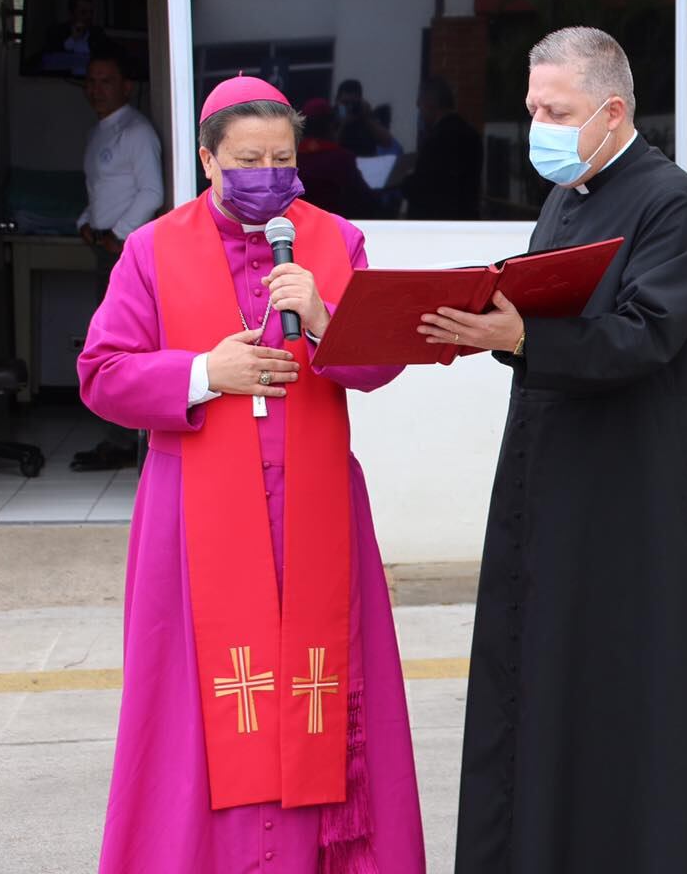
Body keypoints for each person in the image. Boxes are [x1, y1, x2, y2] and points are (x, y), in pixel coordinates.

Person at [416, 26, 687, 874]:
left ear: (611, 110)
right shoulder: (568, 196)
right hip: (548, 469)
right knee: (541, 673)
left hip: (625, 489)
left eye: (553, 110)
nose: (538, 125)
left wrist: (522, 334)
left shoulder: (672, 199)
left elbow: (648, 335)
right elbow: (545, 311)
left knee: (618, 685)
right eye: (532, 108)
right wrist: (491, 323)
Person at [79, 74, 424, 873]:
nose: (269, 172)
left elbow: (378, 367)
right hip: (193, 512)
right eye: (247, 159)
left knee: (321, 694)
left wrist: (329, 316)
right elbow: (101, 373)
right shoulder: (152, 248)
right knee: (198, 706)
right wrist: (204, 372)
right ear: (207, 160)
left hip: (315, 504)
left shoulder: (334, 240)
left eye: (282, 156)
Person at [69, 49, 164, 472]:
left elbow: (151, 193)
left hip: (122, 252)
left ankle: (124, 441)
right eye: (91, 81)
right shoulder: (100, 131)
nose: (96, 89)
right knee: (103, 344)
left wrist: (116, 236)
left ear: (127, 86)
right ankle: (117, 436)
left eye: (106, 80)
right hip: (103, 246)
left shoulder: (136, 132)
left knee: (121, 349)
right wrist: (87, 223)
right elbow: (99, 190)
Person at [401, 76, 482, 219]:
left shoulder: (436, 139)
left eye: (421, 104)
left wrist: (405, 182)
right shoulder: (471, 134)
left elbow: (426, 186)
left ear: (431, 103)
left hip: (435, 223)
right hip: (465, 219)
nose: (419, 109)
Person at [296, 97, 379, 219]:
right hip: (333, 227)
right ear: (332, 125)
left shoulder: (290, 159)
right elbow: (364, 200)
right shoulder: (343, 159)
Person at [333, 78, 396, 158]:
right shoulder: (332, 116)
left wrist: (367, 118)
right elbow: (330, 147)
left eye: (353, 103)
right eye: (345, 103)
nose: (349, 107)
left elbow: (387, 142)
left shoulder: (365, 116)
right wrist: (343, 124)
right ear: (337, 101)